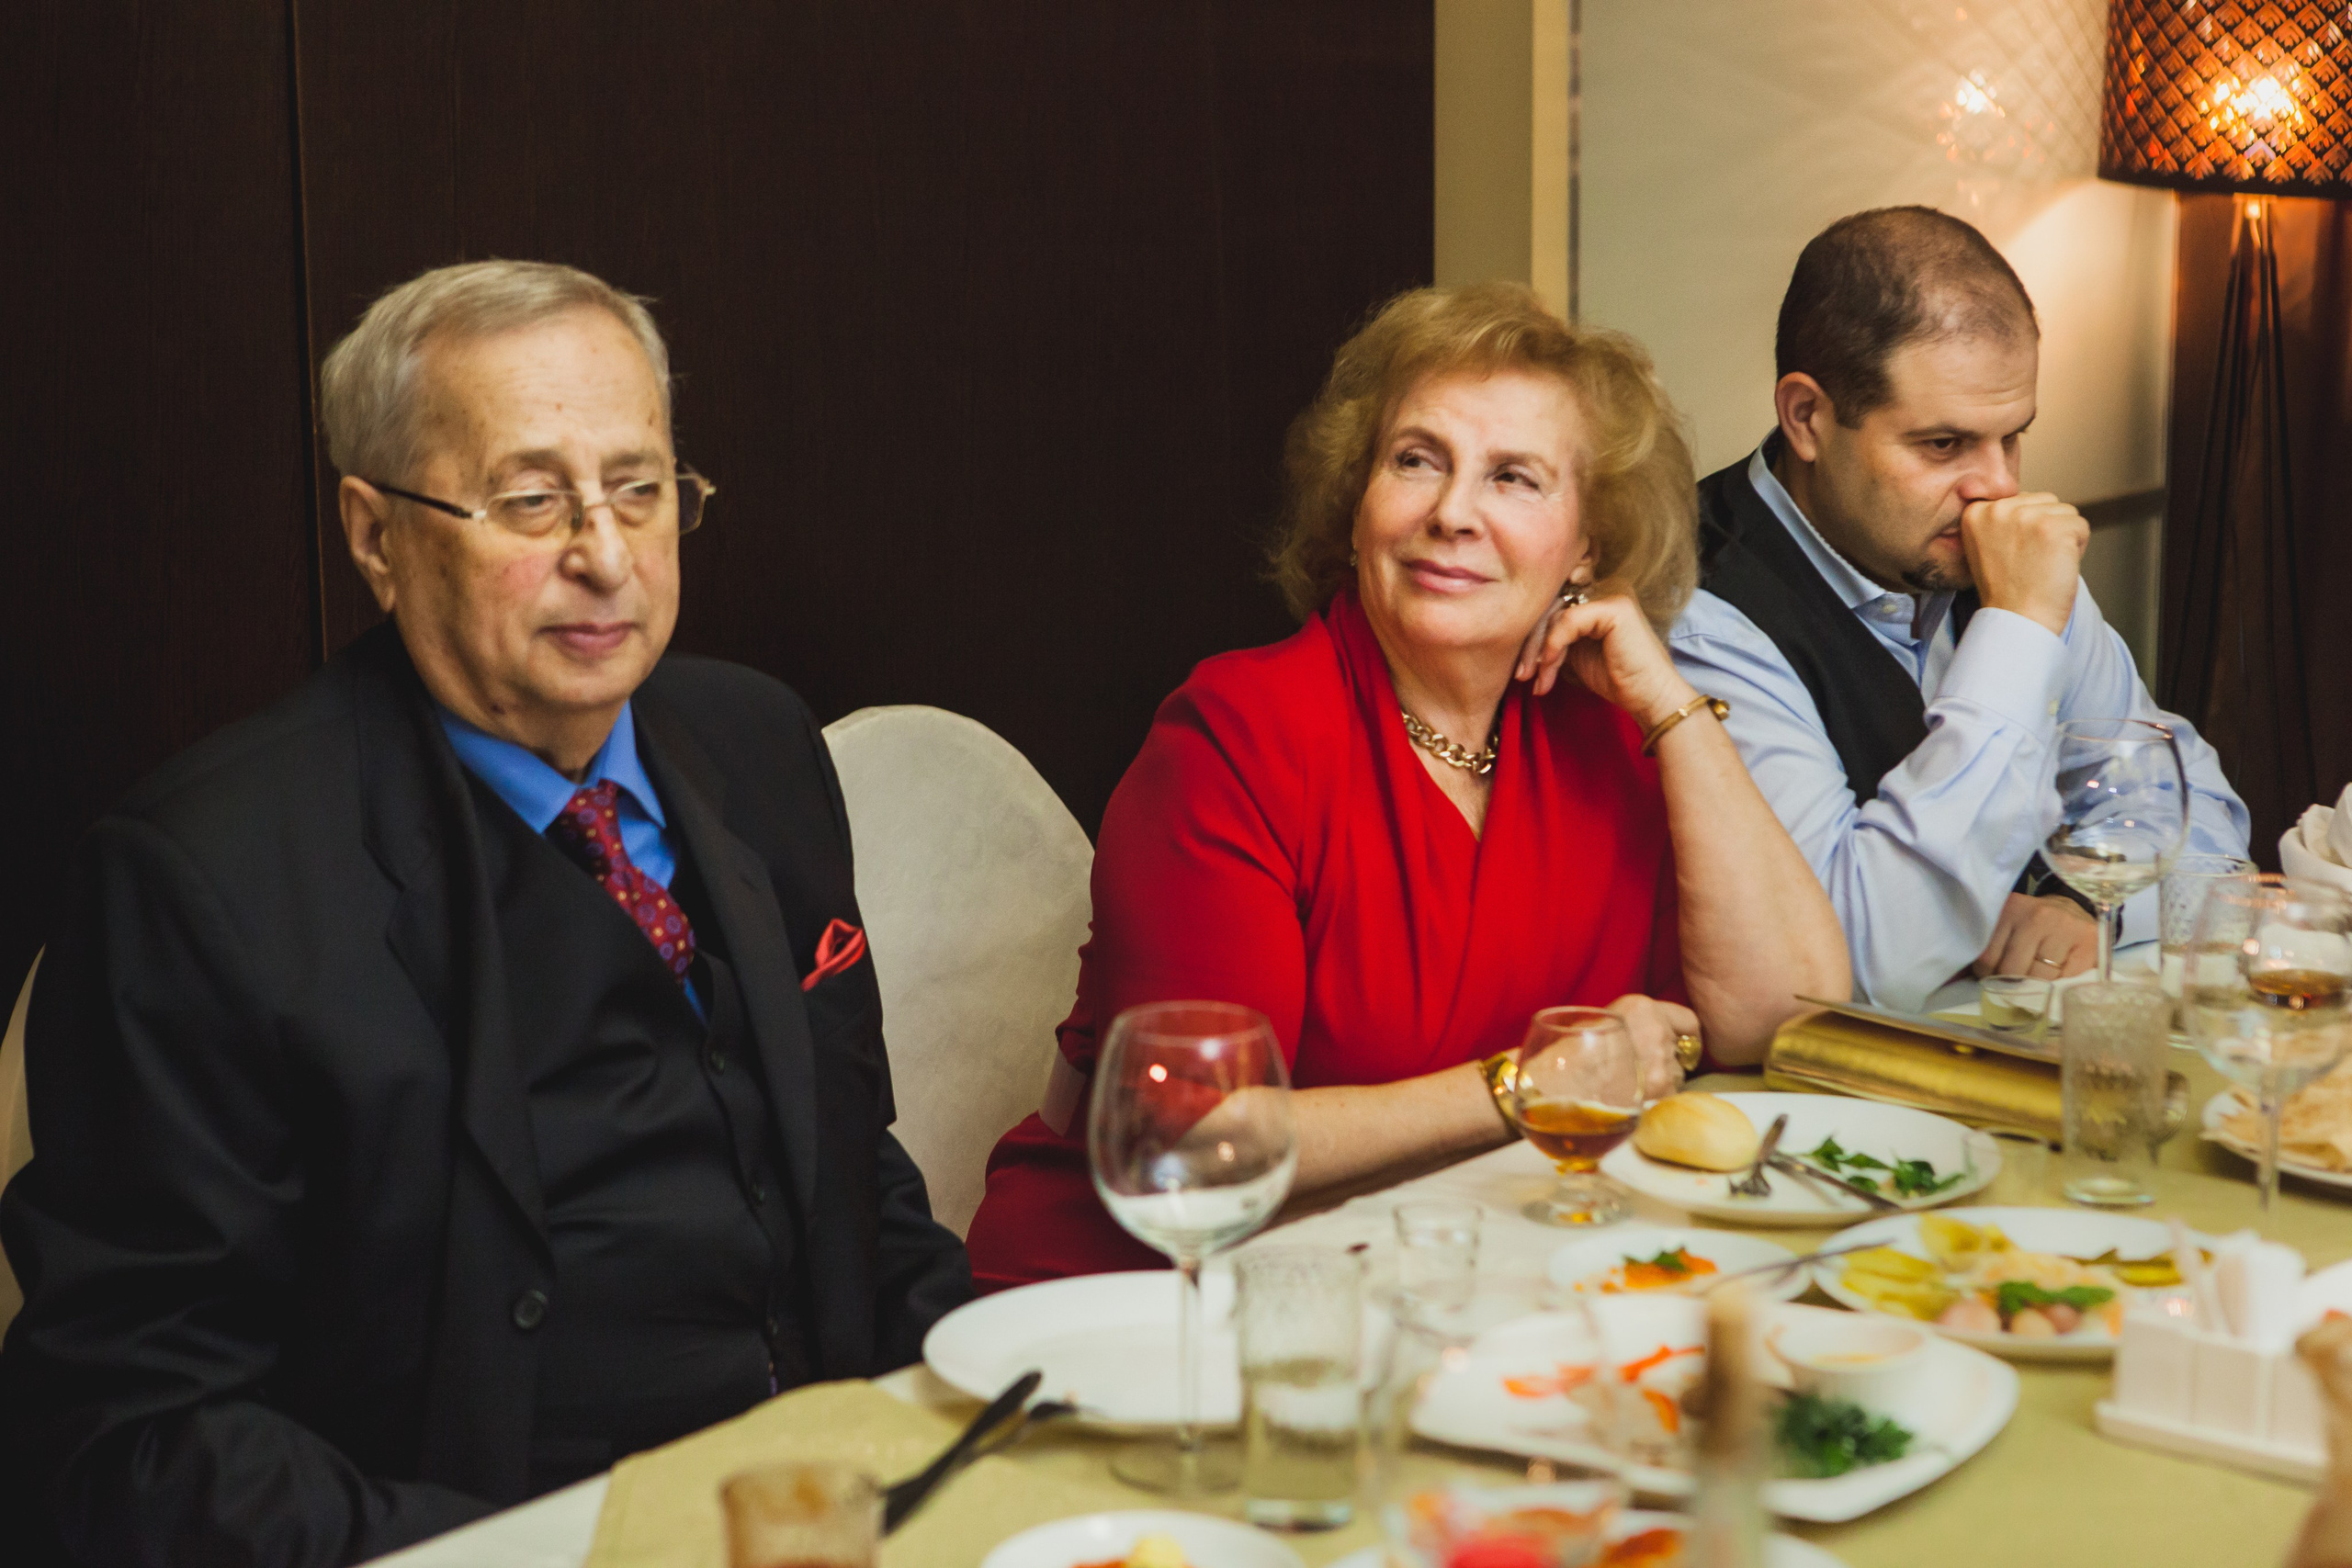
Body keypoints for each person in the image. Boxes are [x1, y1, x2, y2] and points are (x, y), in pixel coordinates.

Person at [0, 261, 971, 1567]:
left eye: (640, 489)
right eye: (531, 501)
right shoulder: (201, 878)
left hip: (842, 1516)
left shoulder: (761, 745)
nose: (607, 555)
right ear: (374, 535)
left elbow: (855, 1182)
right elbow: (134, 1434)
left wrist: (1007, 1403)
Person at [963, 284, 1849, 1290]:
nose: (1452, 513)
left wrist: (1672, 712)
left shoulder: (1608, 740)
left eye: (1513, 478)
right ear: (1356, 508)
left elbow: (1787, 1017)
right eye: (1416, 461)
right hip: (1166, 1286)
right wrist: (1531, 1087)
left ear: (1587, 546)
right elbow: (1198, 1145)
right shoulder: (1235, 736)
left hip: (1468, 1267)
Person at [1525, 208, 2250, 1010]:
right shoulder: (1695, 609)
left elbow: (2201, 828)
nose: (1997, 488)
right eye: (1943, 445)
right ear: (1807, 417)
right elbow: (1854, 959)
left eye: (2012, 437)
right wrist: (2014, 635)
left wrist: (2091, 910)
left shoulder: (1996, 546)